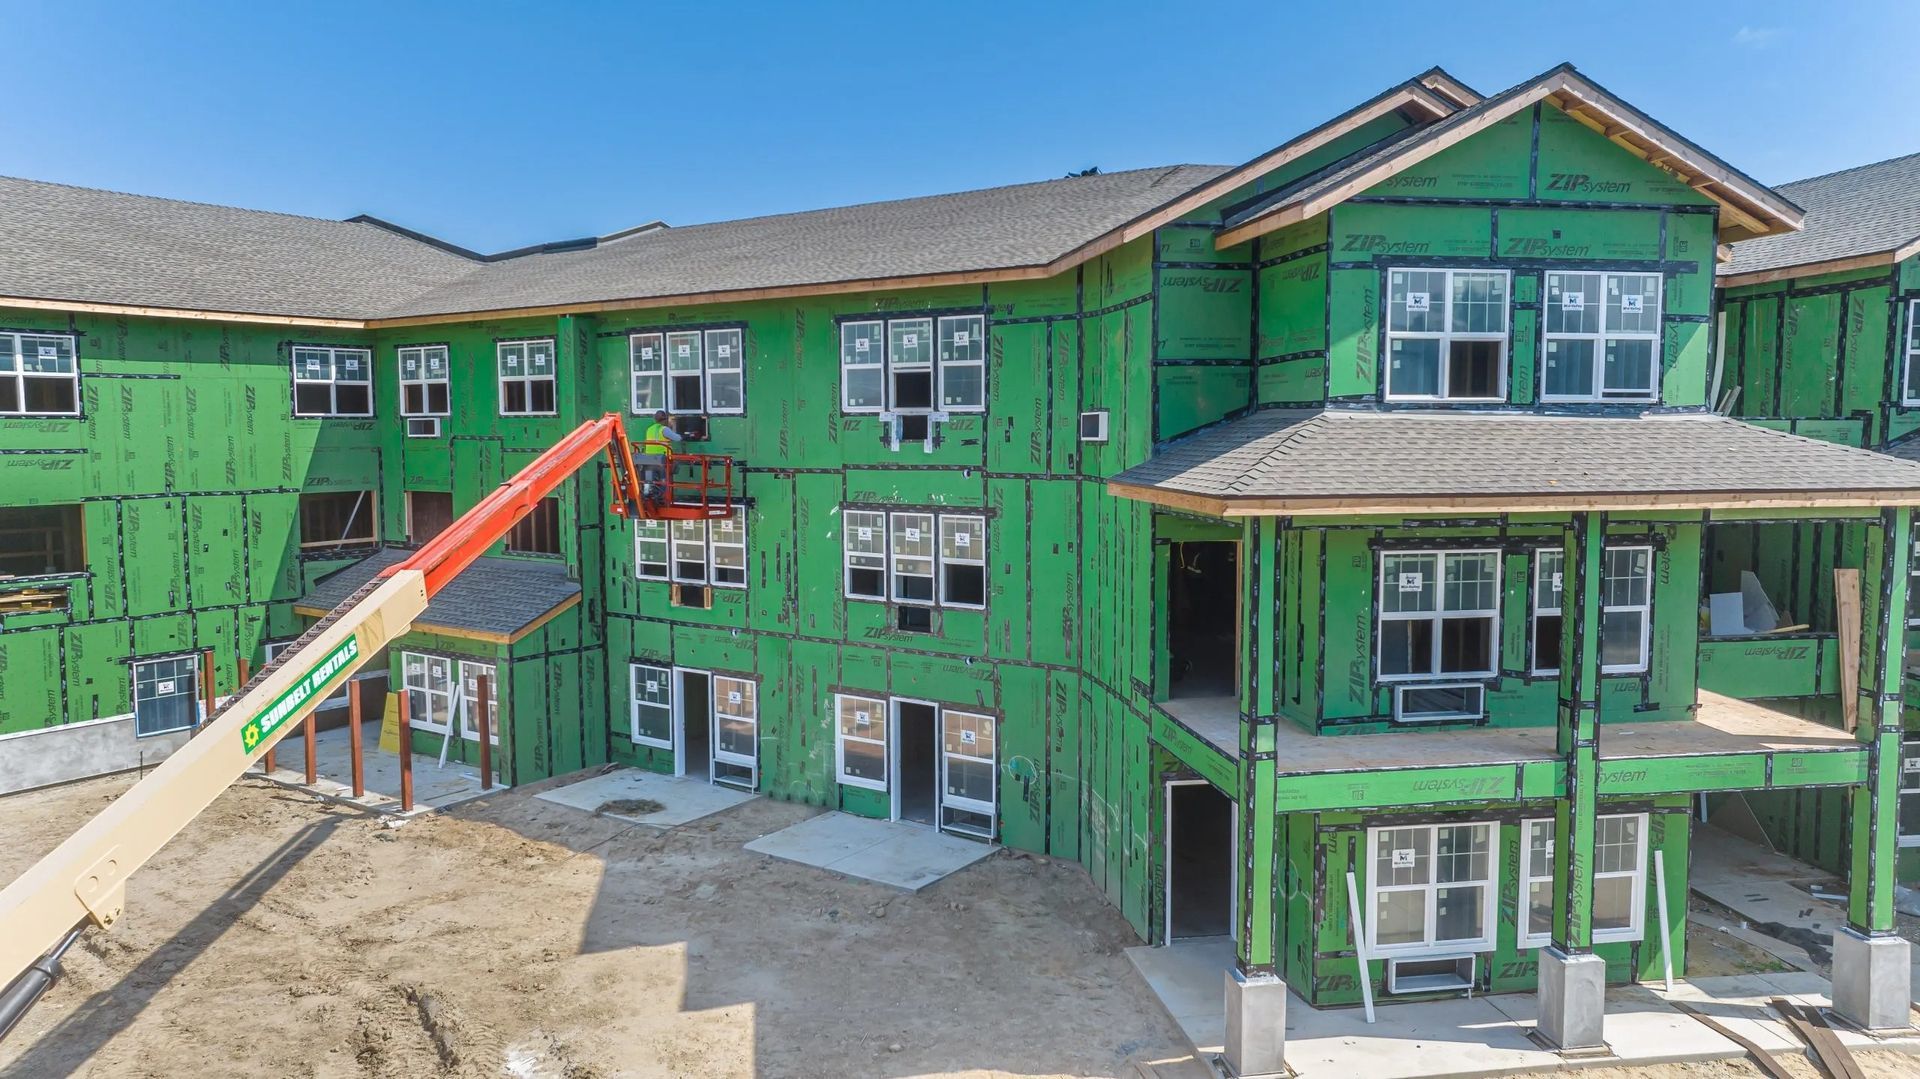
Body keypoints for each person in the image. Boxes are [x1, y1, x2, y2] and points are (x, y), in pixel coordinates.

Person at [639, 410, 682, 506]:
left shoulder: (649, 429)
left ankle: (646, 495)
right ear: (665, 420)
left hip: (648, 460)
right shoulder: (664, 429)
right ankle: (661, 498)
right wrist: (673, 427)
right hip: (660, 461)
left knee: (648, 480)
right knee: (663, 480)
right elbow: (678, 438)